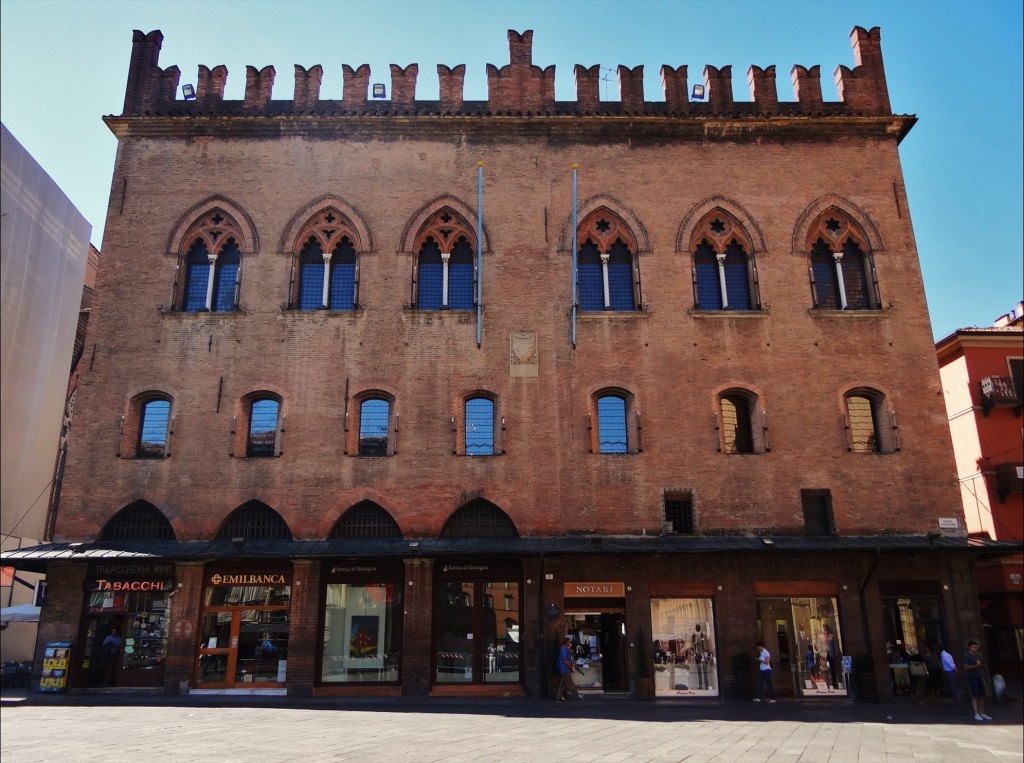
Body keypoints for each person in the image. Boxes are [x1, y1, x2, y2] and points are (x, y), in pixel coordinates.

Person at [963, 641, 992, 721]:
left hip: (979, 676)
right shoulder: (967, 655)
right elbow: (966, 667)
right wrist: (976, 665)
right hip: (972, 677)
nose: (975, 649)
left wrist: (981, 665)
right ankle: (976, 713)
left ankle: (981, 712)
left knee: (981, 695)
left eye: (976, 647)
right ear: (969, 647)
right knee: (975, 695)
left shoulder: (979, 655)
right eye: (974, 647)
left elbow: (984, 665)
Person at [555, 637, 583, 703]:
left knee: (562, 685)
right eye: (569, 641)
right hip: (565, 669)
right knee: (571, 685)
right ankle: (577, 698)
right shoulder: (564, 649)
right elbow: (565, 661)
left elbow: (568, 660)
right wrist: (571, 667)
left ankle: (558, 699)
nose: (570, 643)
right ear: (566, 642)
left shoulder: (566, 649)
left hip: (564, 669)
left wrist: (573, 665)